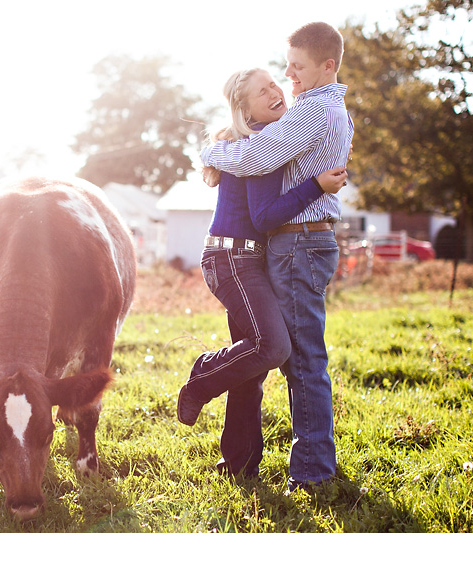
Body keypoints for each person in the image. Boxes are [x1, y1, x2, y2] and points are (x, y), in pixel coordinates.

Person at [200, 22, 354, 492]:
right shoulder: (320, 107)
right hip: (292, 245)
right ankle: (276, 459)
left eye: (296, 67)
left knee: (301, 360)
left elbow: (255, 161)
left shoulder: (313, 112)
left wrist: (210, 149)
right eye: (285, 66)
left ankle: (311, 472)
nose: (288, 75)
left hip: (298, 244)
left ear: (327, 66)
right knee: (287, 355)